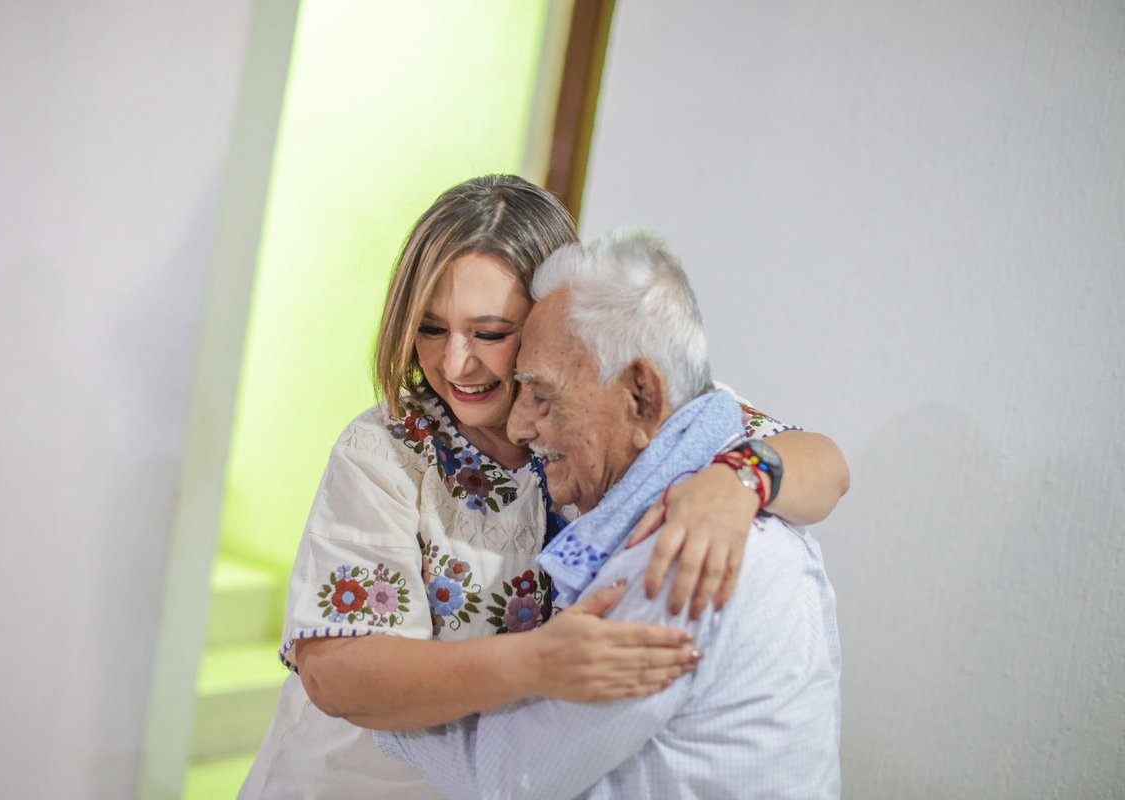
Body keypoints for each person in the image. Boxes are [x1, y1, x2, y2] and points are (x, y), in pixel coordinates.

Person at [240, 176, 849, 799]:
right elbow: (336, 673)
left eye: (490, 333)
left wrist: (738, 479)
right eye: (430, 328)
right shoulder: (386, 452)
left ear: (555, 318)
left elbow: (825, 465)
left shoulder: (629, 411)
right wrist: (536, 663)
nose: (455, 364)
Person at [376, 229, 841, 799]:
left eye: (541, 394)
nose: (519, 427)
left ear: (642, 395)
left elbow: (503, 778)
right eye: (431, 327)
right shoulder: (698, 454)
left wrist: (386, 704)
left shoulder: (682, 557)